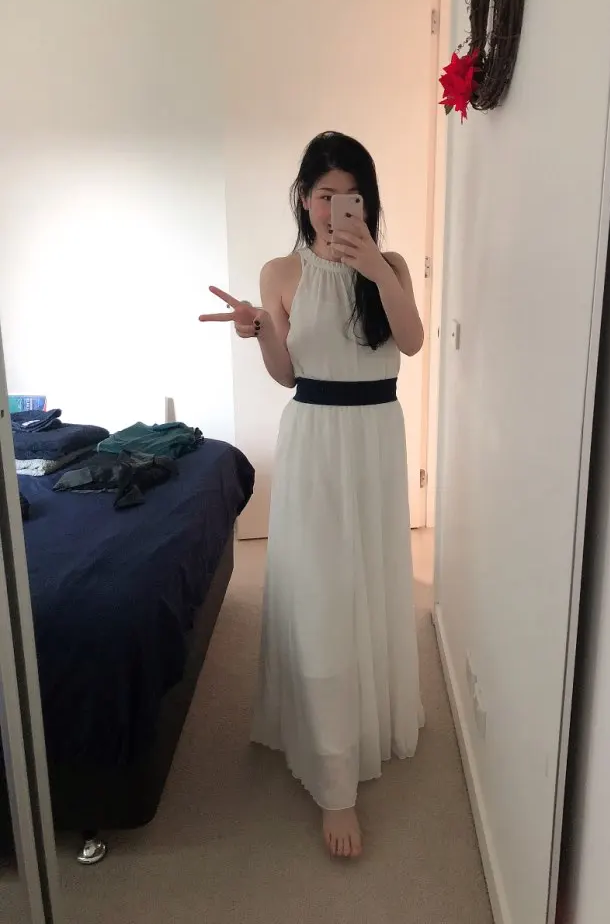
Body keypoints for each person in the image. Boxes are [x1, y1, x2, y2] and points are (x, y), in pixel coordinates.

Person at [200, 131, 424, 858]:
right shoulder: (280, 271)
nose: (336, 208)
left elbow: (412, 342)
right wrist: (258, 329)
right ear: (303, 198)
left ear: (368, 202)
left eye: (351, 195)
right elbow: (287, 375)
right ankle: (335, 784)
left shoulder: (390, 265)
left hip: (376, 439)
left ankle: (365, 720)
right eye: (324, 195)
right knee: (322, 594)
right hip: (315, 439)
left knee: (370, 582)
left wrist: (377, 270)